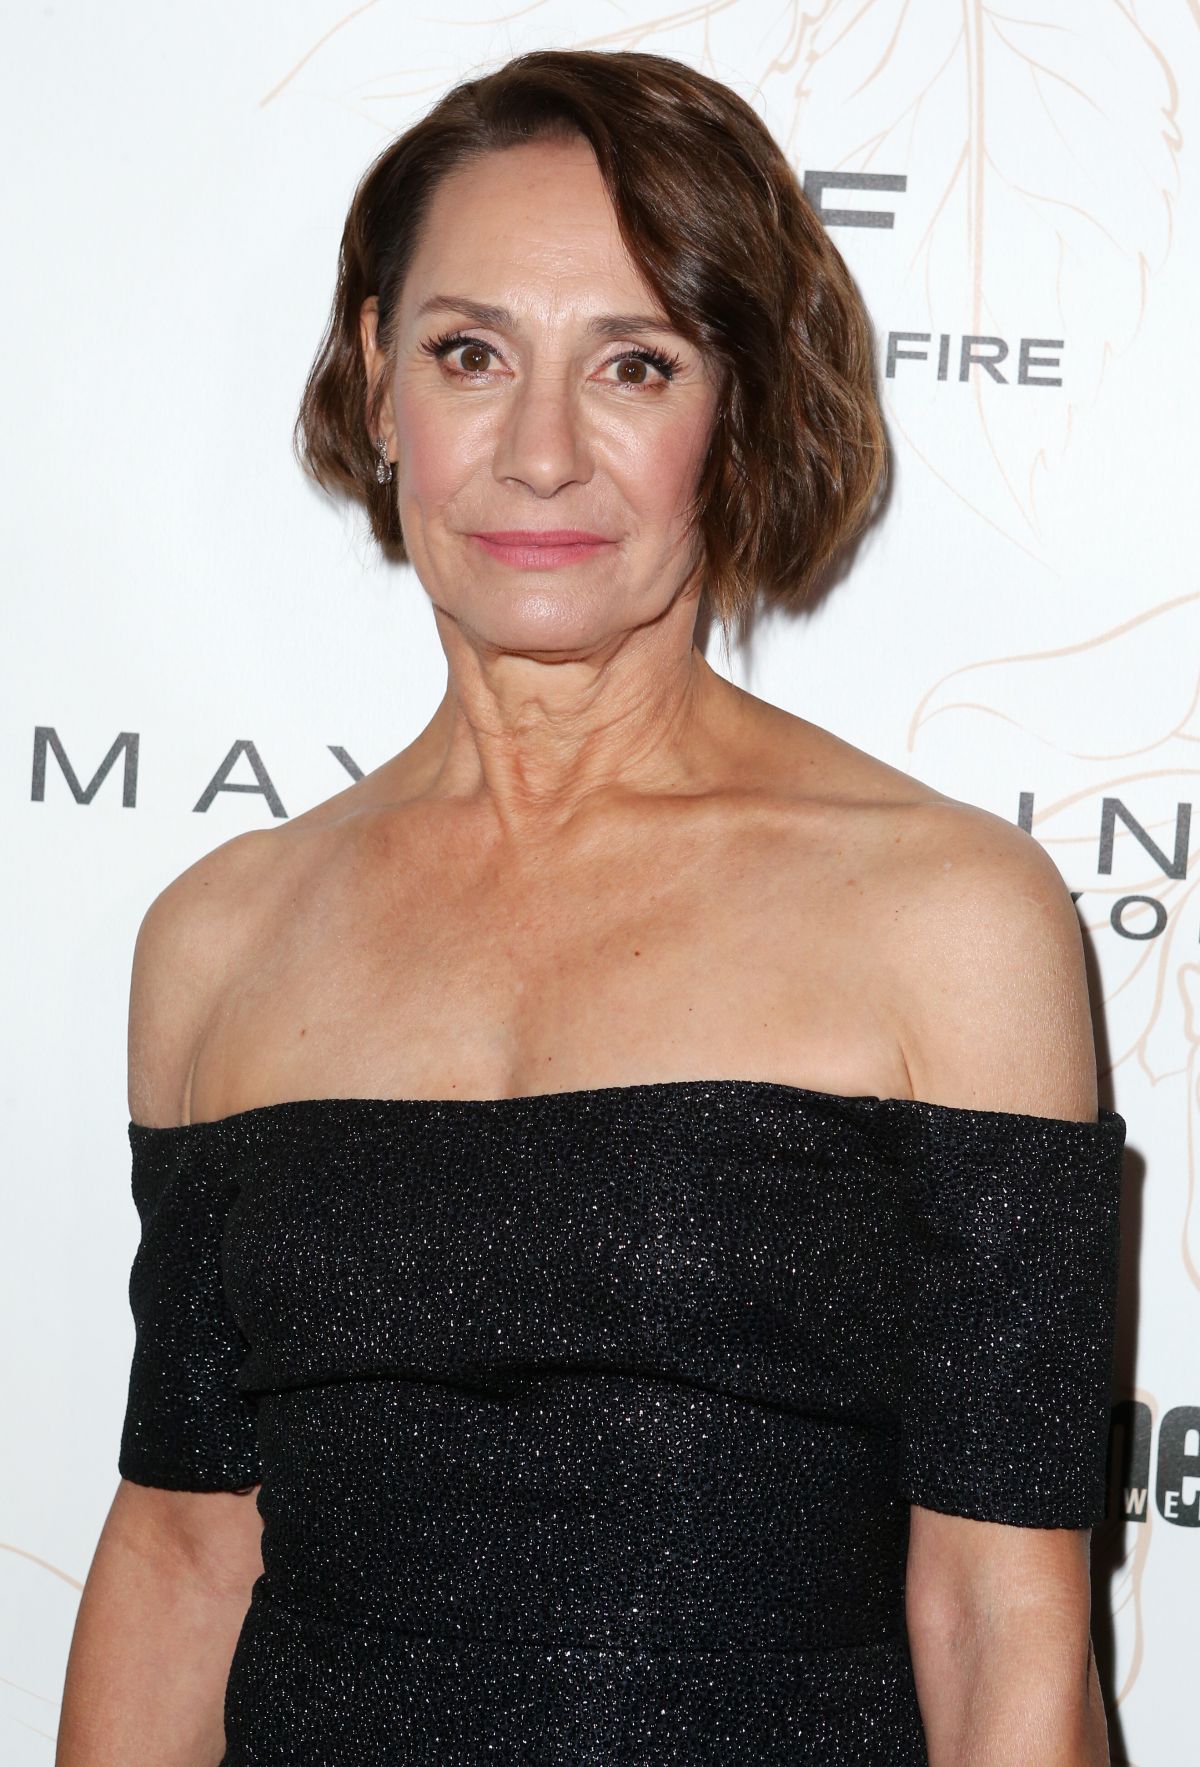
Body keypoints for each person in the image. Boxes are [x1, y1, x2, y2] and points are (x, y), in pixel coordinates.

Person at [57, 46, 1125, 1766]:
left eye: (635, 363)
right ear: (377, 381)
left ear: (737, 405)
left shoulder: (948, 914)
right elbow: (183, 1553)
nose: (541, 454)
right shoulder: (220, 935)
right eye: (470, 354)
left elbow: (1005, 1620)